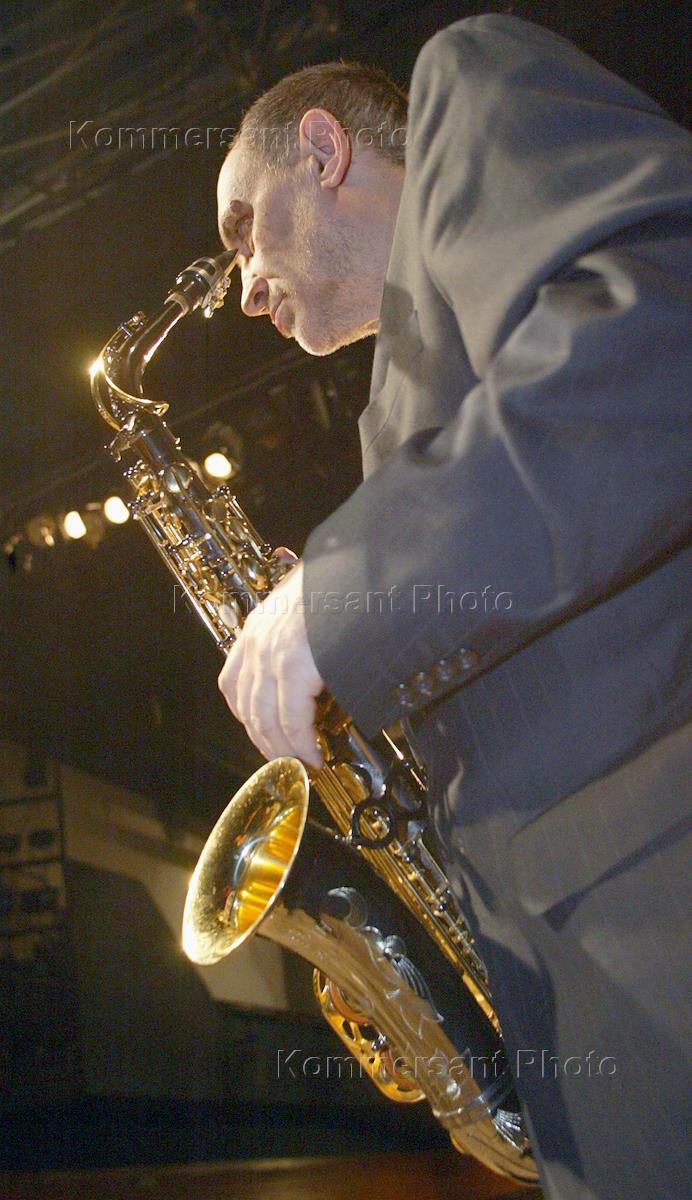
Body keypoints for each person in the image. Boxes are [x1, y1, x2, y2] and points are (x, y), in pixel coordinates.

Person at [215, 14, 691, 1199]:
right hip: (578, 976)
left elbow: (657, 337)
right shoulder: (394, 413)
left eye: (240, 228)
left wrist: (347, 588)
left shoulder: (467, 78)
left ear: (320, 149)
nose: (241, 290)